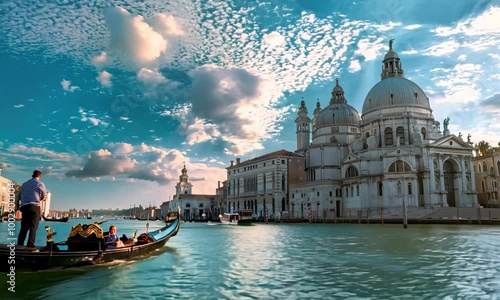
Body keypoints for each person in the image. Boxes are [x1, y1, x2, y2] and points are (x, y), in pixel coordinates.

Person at [17, 170, 48, 250]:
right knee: (33, 226)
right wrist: (41, 198)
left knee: (24, 227)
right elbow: (45, 194)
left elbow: (19, 196)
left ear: (32, 175)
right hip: (34, 206)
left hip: (24, 207)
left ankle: (20, 243)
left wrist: (18, 207)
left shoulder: (24, 184)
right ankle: (30, 244)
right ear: (39, 176)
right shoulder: (40, 183)